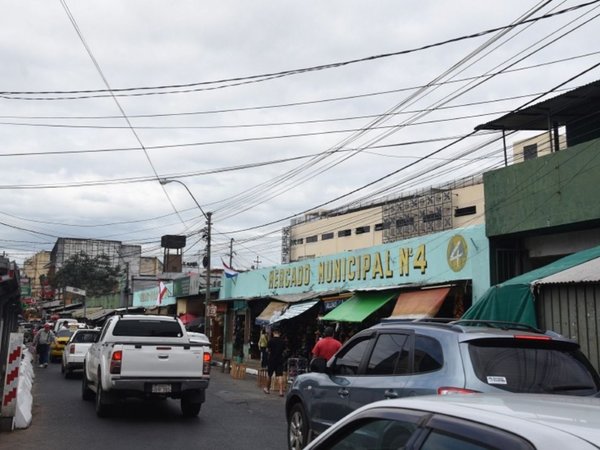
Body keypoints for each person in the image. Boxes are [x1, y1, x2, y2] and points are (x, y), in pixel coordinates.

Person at [264, 328, 286, 397]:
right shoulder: (283, 341)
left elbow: (267, 350)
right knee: (280, 375)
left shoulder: (271, 341)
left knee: (269, 374)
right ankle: (281, 391)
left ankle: (267, 389)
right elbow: (284, 351)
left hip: (271, 360)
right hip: (279, 360)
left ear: (273, 333)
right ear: (279, 333)